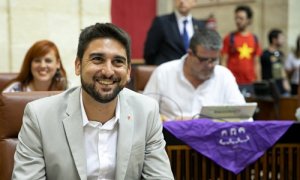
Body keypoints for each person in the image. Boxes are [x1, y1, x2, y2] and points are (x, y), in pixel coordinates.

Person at [12, 23, 174, 180]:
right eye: (97, 59)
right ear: (78, 65)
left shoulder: (146, 111)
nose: (108, 71)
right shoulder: (39, 116)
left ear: (128, 71)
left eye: (118, 61)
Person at [143, 28, 246, 121]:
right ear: (190, 54)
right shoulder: (163, 73)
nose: (210, 65)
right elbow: (144, 113)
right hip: (172, 138)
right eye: (204, 60)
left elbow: (244, 117)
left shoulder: (224, 76)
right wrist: (170, 122)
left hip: (212, 138)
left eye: (214, 60)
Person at [143, 0, 205, 65]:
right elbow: (149, 52)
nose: (182, 1)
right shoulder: (161, 22)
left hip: (192, 71)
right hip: (167, 70)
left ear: (194, 2)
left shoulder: (200, 25)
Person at [221, 5, 262, 93]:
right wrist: (223, 80)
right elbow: (223, 60)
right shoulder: (229, 38)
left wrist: (258, 80)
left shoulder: (254, 39)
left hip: (250, 83)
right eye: (236, 18)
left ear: (248, 20)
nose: (238, 21)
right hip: (232, 82)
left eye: (241, 18)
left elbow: (257, 62)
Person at [1, 40, 68, 93]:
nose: (42, 65)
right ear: (30, 63)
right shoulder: (15, 90)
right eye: (37, 60)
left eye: (48, 61)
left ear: (58, 63)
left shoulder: (66, 90)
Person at [260, 29, 290, 96]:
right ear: (274, 39)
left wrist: (285, 81)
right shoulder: (265, 54)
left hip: (281, 87)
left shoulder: (280, 54)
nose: (283, 40)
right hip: (268, 88)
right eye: (281, 38)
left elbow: (282, 69)